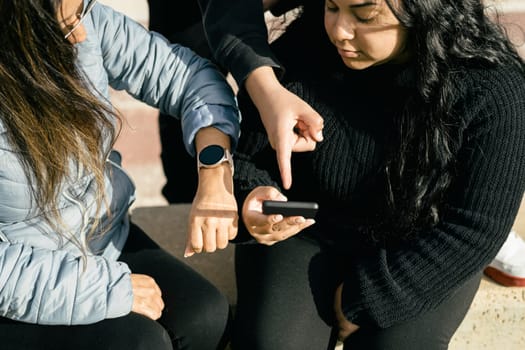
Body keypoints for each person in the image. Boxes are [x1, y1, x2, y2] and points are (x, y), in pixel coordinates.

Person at [216, 0, 525, 349]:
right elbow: (244, 158)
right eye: (331, 6)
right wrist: (252, 195)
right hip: (306, 230)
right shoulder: (302, 49)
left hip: (422, 243)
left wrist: (363, 299)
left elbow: (474, 229)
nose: (339, 31)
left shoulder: (493, 88)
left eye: (364, 15)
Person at [0, 1, 240, 349]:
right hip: (22, 278)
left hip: (100, 237)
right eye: (66, 24)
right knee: (139, 342)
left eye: (81, 10)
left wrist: (214, 170)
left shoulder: (82, 16)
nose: (82, 33)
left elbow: (187, 76)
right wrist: (105, 288)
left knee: (205, 316)